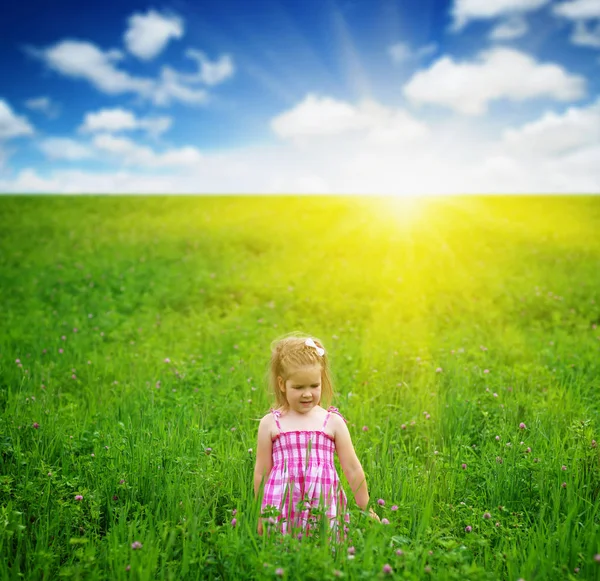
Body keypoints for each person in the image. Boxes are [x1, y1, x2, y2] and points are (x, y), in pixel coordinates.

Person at [253, 333, 380, 541]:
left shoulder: (332, 422)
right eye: (298, 387)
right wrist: (260, 514)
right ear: (282, 384)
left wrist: (366, 507)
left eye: (314, 386)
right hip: (281, 505)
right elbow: (261, 473)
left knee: (325, 550)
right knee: (283, 555)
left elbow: (352, 468)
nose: (307, 394)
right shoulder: (271, 423)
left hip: (323, 505)